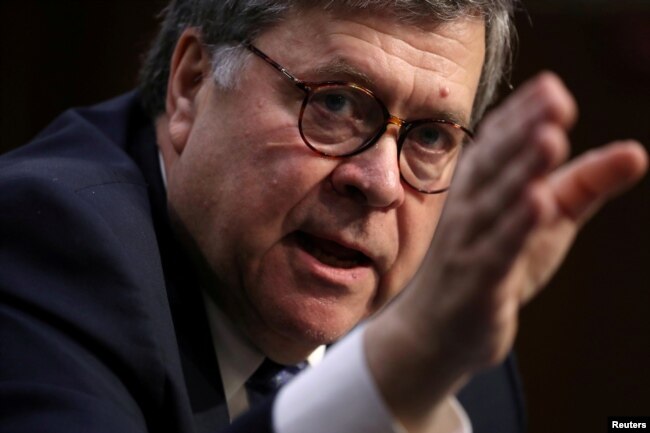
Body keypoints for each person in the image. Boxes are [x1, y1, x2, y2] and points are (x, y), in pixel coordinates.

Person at [0, 1, 646, 432]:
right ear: (192, 84)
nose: (380, 182)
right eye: (336, 103)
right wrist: (394, 370)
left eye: (429, 137)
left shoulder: (454, 338)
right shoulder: (41, 245)